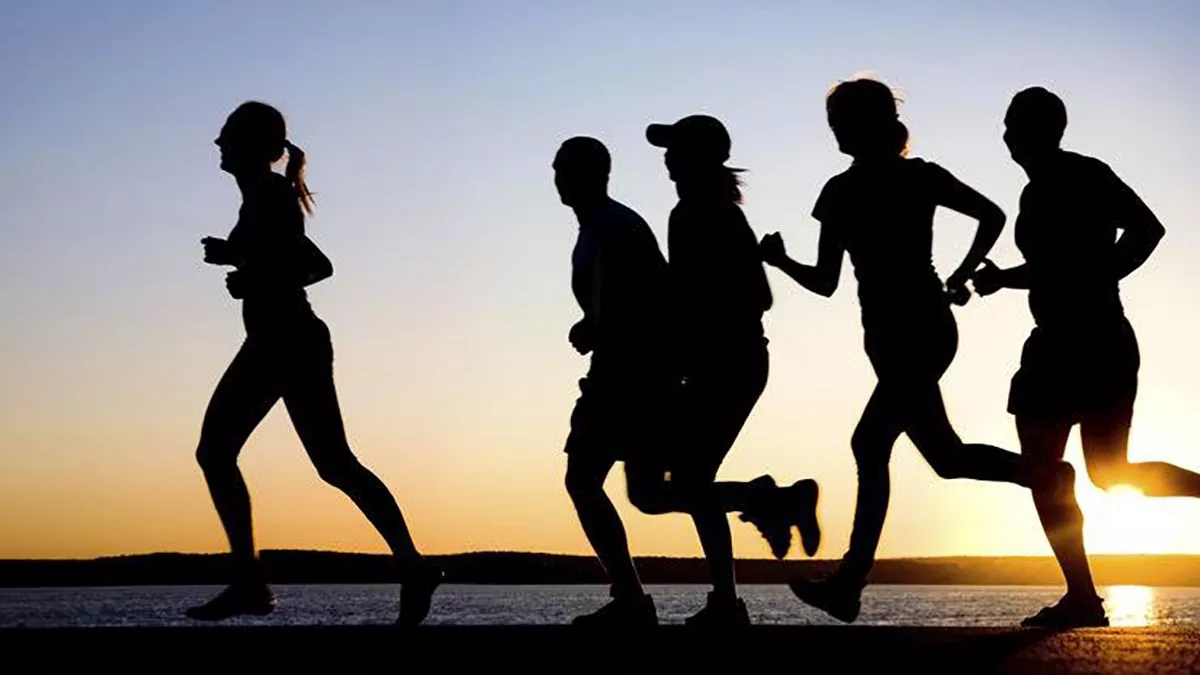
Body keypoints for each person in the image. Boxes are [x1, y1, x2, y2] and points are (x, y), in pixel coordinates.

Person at [760, 78, 1059, 623]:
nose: (835, 132)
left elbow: (992, 214)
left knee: (869, 442)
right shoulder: (848, 190)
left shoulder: (909, 177)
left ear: (869, 124)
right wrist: (780, 263)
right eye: (832, 123)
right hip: (891, 336)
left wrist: (960, 275)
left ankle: (849, 582)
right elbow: (827, 281)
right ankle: (1045, 474)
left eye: (841, 122)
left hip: (920, 330)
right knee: (946, 458)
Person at [187, 101, 441, 626]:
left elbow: (313, 267)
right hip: (283, 341)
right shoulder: (265, 196)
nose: (217, 143)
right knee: (332, 464)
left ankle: (251, 582)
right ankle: (412, 567)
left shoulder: (270, 195)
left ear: (252, 146)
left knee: (221, 453)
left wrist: (243, 265)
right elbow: (308, 263)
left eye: (226, 134)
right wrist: (247, 267)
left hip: (286, 341)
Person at [557, 135, 818, 628]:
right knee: (653, 493)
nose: (667, 161)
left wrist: (602, 327)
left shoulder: (636, 224)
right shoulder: (658, 219)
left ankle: (646, 600)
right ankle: (760, 515)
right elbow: (695, 293)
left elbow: (659, 296)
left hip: (639, 374)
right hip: (669, 369)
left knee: (591, 480)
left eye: (566, 169)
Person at [971, 86, 1200, 628]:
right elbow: (1053, 268)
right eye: (1007, 125)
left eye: (1014, 125)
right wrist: (1004, 280)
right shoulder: (1035, 192)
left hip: (1086, 341)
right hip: (1069, 340)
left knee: (1072, 471)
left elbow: (1147, 229)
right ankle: (1081, 597)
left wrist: (1102, 277)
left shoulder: (1083, 173)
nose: (1007, 136)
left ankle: (1081, 597)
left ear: (1041, 131)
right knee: (1094, 472)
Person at [642, 115, 821, 627]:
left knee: (683, 484)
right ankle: (768, 505)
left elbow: (707, 297)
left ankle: (731, 591)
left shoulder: (692, 214)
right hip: (734, 361)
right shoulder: (721, 212)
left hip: (724, 363)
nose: (666, 158)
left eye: (675, 149)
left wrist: (687, 344)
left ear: (693, 159)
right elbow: (756, 295)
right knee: (669, 488)